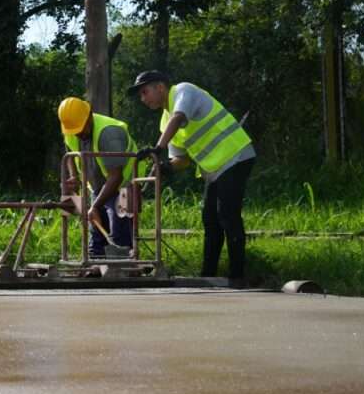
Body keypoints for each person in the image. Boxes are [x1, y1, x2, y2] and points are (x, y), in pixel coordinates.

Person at [129, 70, 255, 287]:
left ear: (160, 87)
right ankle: (208, 275)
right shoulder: (165, 121)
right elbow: (182, 160)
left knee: (227, 215)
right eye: (140, 95)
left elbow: (179, 118)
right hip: (215, 169)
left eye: (145, 92)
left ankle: (237, 276)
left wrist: (157, 149)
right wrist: (164, 168)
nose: (143, 99)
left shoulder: (184, 91)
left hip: (236, 155)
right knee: (210, 220)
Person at [57, 97, 140, 257]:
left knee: (119, 229)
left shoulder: (109, 133)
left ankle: (123, 268)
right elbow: (70, 152)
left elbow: (116, 177)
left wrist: (95, 206)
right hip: (99, 185)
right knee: (96, 231)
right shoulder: (72, 130)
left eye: (81, 129)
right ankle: (95, 265)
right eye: (74, 131)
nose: (78, 134)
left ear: (89, 116)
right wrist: (75, 176)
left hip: (125, 184)